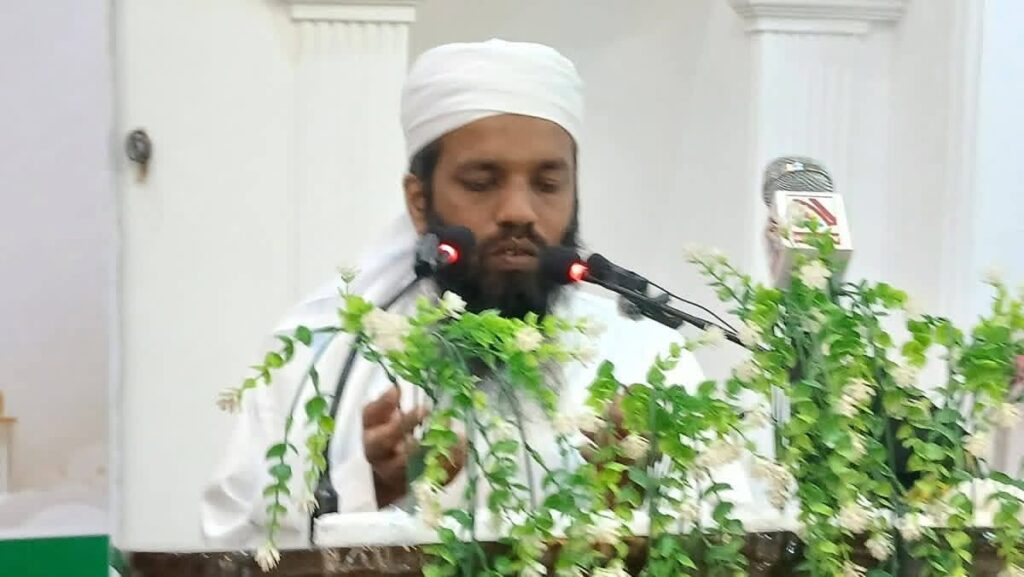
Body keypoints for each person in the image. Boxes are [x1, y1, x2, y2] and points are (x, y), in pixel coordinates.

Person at [200, 39, 708, 548]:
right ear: (419, 201)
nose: (519, 211)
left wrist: (631, 496)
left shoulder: (646, 356)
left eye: (547, 184)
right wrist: (368, 488)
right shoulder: (327, 356)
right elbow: (232, 542)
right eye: (482, 182)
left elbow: (732, 534)